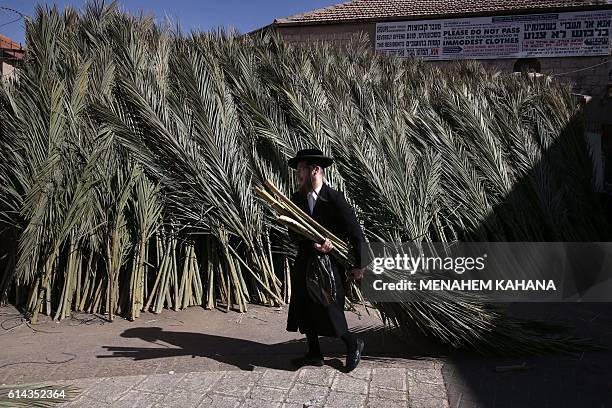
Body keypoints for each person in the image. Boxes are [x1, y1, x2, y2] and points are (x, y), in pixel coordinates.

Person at [286, 148, 367, 372]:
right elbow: (292, 233)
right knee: (303, 307)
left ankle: (353, 343)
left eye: (301, 169)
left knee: (329, 308)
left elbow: (355, 233)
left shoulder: (335, 199)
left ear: (316, 169)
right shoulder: (296, 199)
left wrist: (359, 266)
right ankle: (314, 353)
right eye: (298, 170)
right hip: (305, 261)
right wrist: (310, 243)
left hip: (329, 265)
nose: (298, 174)